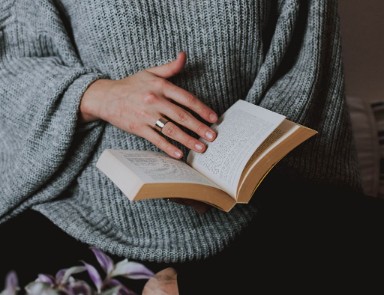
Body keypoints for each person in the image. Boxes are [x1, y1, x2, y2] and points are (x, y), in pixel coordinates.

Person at [1, 0, 384, 293]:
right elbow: (13, 59)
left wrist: (230, 172)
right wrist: (98, 95)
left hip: (263, 211)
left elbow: (307, 63)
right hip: (82, 214)